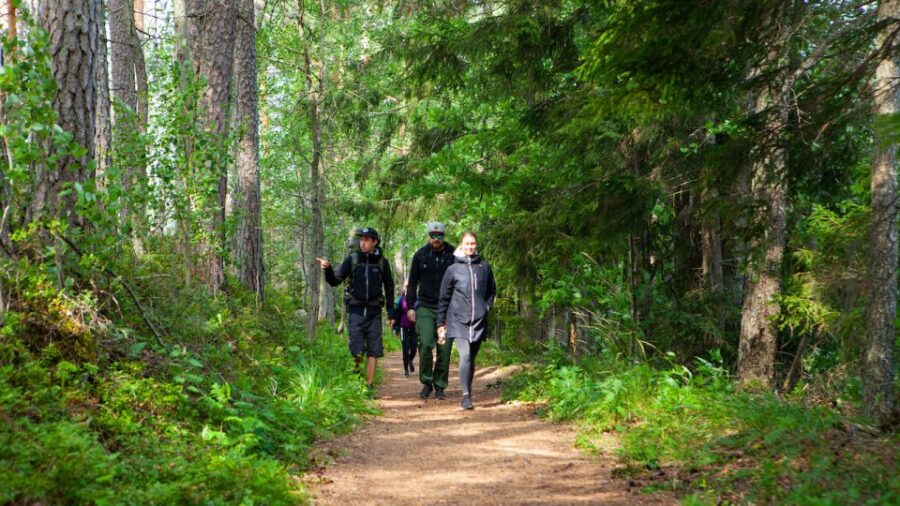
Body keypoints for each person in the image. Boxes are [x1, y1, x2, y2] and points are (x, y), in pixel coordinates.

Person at [318, 227, 396, 395]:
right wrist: (327, 269)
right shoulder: (352, 259)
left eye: (367, 240)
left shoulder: (382, 262)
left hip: (374, 311)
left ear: (375, 242)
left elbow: (389, 289)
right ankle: (356, 380)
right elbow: (334, 281)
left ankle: (368, 386)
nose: (363, 243)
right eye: (361, 239)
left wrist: (391, 313)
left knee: (374, 349)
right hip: (356, 310)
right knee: (356, 348)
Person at [437, 231, 496, 410]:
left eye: (472, 243)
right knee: (465, 355)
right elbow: (444, 297)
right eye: (466, 244)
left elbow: (491, 291)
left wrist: (486, 308)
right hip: (458, 320)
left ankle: (468, 390)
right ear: (461, 246)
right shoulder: (453, 269)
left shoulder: (484, 267)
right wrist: (441, 323)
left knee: (472, 358)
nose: (469, 247)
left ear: (476, 245)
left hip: (478, 320)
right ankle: (465, 396)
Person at [406, 222, 456, 400]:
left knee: (445, 348)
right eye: (433, 235)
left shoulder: (453, 254)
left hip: (448, 308)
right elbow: (412, 283)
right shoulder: (420, 255)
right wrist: (411, 306)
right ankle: (427, 382)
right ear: (428, 236)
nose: (436, 238)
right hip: (425, 307)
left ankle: (440, 385)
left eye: (440, 235)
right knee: (426, 344)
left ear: (444, 236)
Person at [392, 282, 418, 377]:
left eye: (410, 286)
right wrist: (394, 322)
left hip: (414, 327)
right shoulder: (401, 300)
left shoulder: (417, 300)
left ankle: (410, 360)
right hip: (403, 326)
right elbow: (397, 313)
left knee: (414, 348)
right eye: (406, 286)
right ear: (404, 288)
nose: (408, 288)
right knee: (405, 348)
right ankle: (406, 370)